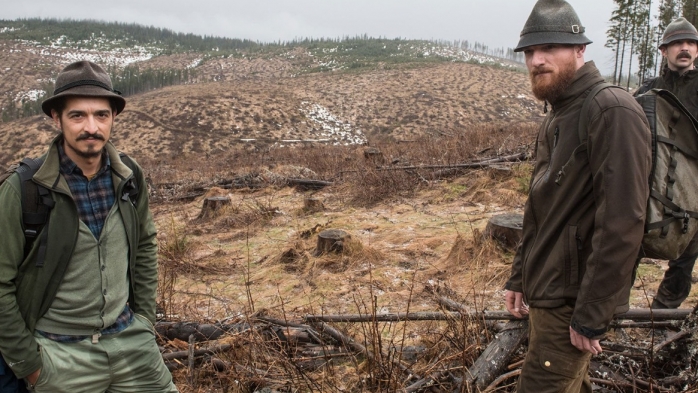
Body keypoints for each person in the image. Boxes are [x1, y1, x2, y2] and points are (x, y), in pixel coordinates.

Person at [0, 61, 178, 392]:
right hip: (59, 353)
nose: (91, 127)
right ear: (57, 118)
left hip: (130, 342)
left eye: (101, 115)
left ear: (113, 117)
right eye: (77, 115)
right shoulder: (24, 188)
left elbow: (146, 244)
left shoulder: (128, 176)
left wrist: (143, 321)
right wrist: (30, 364)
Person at [504, 0, 652, 391]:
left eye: (549, 48)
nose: (537, 60)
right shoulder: (558, 114)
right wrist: (520, 276)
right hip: (549, 292)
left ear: (580, 50)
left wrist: (591, 313)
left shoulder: (611, 110)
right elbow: (540, 211)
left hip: (572, 302)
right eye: (530, 52)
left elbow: (623, 220)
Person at [635, 17, 698, 309]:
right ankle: (614, 307)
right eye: (677, 43)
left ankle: (663, 313)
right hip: (652, 179)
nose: (684, 48)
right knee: (632, 240)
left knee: (686, 252)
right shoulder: (650, 89)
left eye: (690, 43)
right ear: (664, 50)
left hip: (694, 182)